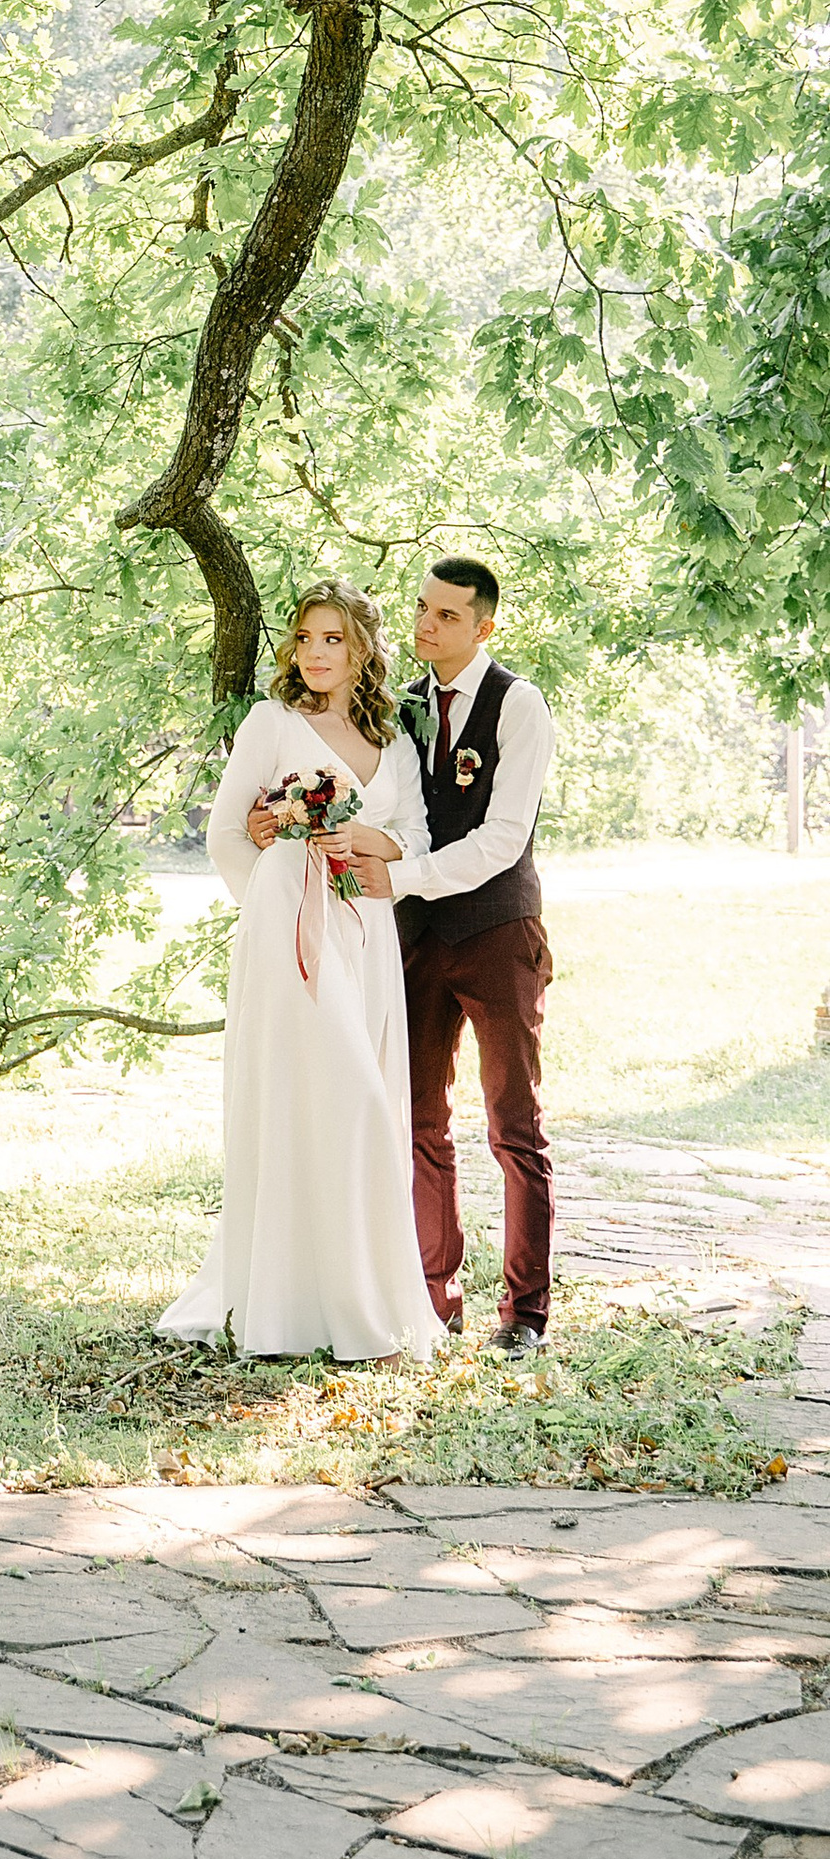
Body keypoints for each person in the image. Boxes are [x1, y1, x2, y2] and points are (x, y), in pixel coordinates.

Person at [159, 579, 439, 1364]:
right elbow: (224, 833)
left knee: (357, 1100)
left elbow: (415, 840)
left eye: (334, 639)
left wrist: (360, 839)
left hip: (365, 929)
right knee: (330, 1097)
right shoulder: (271, 722)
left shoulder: (394, 741)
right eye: (306, 637)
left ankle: (351, 1299)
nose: (316, 652)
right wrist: (274, 899)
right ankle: (312, 1306)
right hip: (289, 930)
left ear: (363, 650)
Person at [396, 556, 558, 1354]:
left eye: (447, 615)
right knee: (419, 1119)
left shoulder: (518, 703)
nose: (426, 624)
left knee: (513, 1123)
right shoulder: (401, 707)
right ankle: (436, 1297)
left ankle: (525, 1313)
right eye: (423, 608)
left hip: (497, 933)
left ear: (483, 625)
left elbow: (502, 837)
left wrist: (404, 876)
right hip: (419, 938)